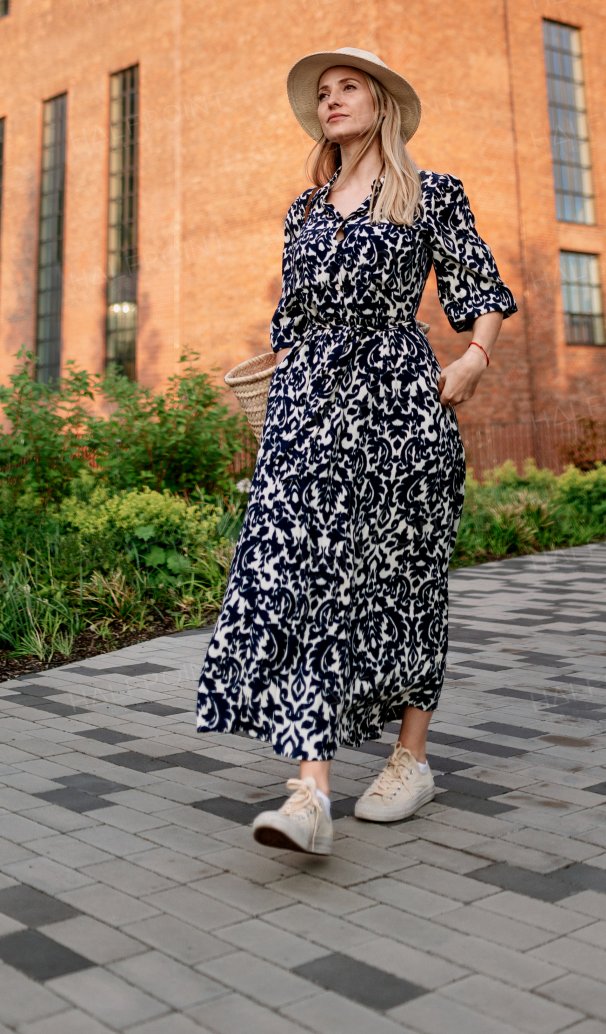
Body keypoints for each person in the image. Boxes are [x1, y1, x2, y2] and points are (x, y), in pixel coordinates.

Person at [196, 47, 517, 855]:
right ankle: (310, 792)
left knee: (405, 580)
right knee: (297, 575)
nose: (332, 101)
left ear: (382, 106)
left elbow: (480, 290)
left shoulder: (429, 195)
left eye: (349, 89)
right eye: (324, 93)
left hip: (400, 408)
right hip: (308, 410)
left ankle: (411, 760)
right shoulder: (304, 211)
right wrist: (280, 378)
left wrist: (473, 360)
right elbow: (292, 320)